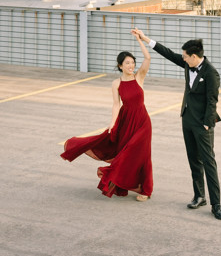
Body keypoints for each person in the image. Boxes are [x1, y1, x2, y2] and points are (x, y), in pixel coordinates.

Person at [132, 28, 221, 220]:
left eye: (185, 56)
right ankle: (199, 196)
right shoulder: (187, 64)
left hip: (203, 124)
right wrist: (145, 38)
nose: (182, 58)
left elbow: (212, 101)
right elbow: (167, 53)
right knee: (193, 161)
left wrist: (207, 124)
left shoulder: (211, 73)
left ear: (194, 56)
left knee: (209, 163)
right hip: (187, 120)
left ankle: (216, 205)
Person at [60, 32, 154, 200]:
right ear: (120, 66)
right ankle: (128, 184)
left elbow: (147, 58)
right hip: (126, 122)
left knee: (141, 154)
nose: (131, 65)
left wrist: (140, 40)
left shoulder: (139, 77)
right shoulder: (116, 84)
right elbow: (116, 104)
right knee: (125, 153)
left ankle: (146, 190)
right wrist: (112, 124)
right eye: (127, 63)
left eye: (132, 62)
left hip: (142, 122)